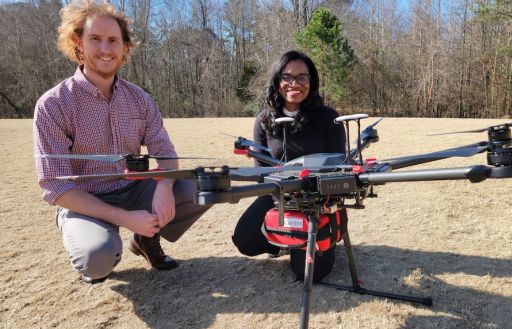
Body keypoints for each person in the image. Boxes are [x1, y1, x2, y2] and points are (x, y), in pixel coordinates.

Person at [33, 0, 210, 284]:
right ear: (78, 42)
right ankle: (88, 236)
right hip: (85, 199)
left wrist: (164, 187)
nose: (105, 49)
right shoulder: (53, 105)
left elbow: (164, 151)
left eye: (113, 40)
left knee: (204, 185)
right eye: (95, 39)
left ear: (124, 47)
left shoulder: (140, 99)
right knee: (96, 261)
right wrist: (123, 217)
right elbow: (55, 184)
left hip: (134, 189)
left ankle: (146, 239)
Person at [232, 50, 346, 282]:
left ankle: (313, 241)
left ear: (311, 81)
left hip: (319, 201)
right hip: (278, 197)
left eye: (302, 77)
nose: (295, 84)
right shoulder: (264, 120)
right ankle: (285, 242)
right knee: (244, 241)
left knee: (310, 275)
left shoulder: (329, 118)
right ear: (277, 81)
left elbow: (339, 169)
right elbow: (262, 175)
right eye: (287, 77)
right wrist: (281, 203)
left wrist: (321, 200)